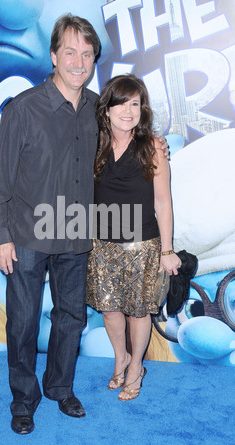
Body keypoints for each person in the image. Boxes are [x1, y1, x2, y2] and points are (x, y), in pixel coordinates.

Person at [0, 14, 169, 434]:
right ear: (54, 56)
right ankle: (23, 400)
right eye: (70, 51)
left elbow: (129, 135)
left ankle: (60, 388)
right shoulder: (23, 110)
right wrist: (1, 237)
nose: (78, 61)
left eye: (87, 54)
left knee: (72, 317)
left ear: (93, 61)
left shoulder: (97, 113)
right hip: (28, 236)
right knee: (24, 321)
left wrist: (157, 145)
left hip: (77, 235)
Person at [86, 74, 181, 401]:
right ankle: (121, 358)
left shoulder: (153, 145)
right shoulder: (93, 142)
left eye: (135, 104)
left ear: (143, 109)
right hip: (102, 244)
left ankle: (136, 366)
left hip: (142, 243)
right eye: (121, 103)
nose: (128, 110)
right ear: (107, 108)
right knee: (110, 310)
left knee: (139, 311)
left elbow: (163, 200)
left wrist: (166, 249)